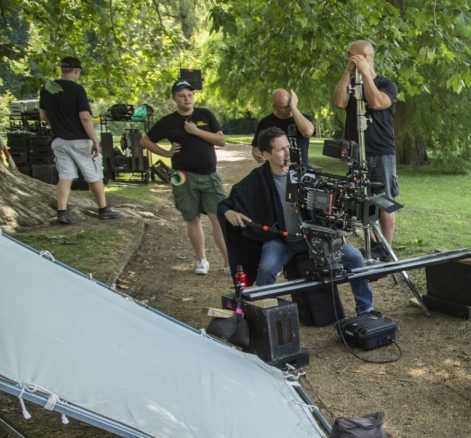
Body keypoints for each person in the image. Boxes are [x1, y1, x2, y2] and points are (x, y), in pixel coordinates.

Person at [217, 127, 374, 314]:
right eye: (281, 149)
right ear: (266, 154)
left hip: (315, 237)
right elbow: (225, 205)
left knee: (355, 257)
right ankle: (268, 317)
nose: (288, 152)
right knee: (266, 270)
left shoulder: (305, 173)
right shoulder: (257, 180)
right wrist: (228, 213)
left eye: (288, 146)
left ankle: (366, 309)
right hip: (282, 240)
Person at [142, 79, 229, 275]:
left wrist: (196, 131)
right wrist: (166, 153)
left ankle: (228, 261)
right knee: (192, 218)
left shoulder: (205, 115)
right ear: (174, 98)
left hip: (210, 176)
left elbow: (221, 140)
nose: (186, 98)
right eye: (181, 95)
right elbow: (145, 140)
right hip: (183, 176)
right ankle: (201, 260)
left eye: (189, 95)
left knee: (219, 218)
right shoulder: (167, 121)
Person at [331, 39, 399, 249]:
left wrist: (365, 72)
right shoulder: (350, 84)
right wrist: (348, 72)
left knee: (385, 201)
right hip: (355, 151)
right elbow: (339, 102)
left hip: (380, 151)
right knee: (361, 199)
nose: (348, 59)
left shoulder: (387, 84)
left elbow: (377, 102)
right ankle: (370, 245)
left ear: (367, 57)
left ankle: (386, 250)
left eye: (352, 56)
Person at [37, 56, 121, 224]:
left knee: (65, 176)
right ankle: (103, 209)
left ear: (62, 69)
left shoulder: (47, 88)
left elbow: (43, 116)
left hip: (59, 141)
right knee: (93, 175)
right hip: (80, 141)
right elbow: (85, 117)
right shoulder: (77, 89)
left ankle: (62, 212)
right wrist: (94, 140)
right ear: (76, 70)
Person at [251, 88, 314, 167]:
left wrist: (294, 107)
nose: (289, 109)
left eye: (290, 105)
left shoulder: (304, 118)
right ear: (274, 106)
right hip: (274, 172)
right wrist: (256, 154)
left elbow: (308, 132)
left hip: (299, 171)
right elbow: (255, 148)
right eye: (285, 107)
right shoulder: (265, 123)